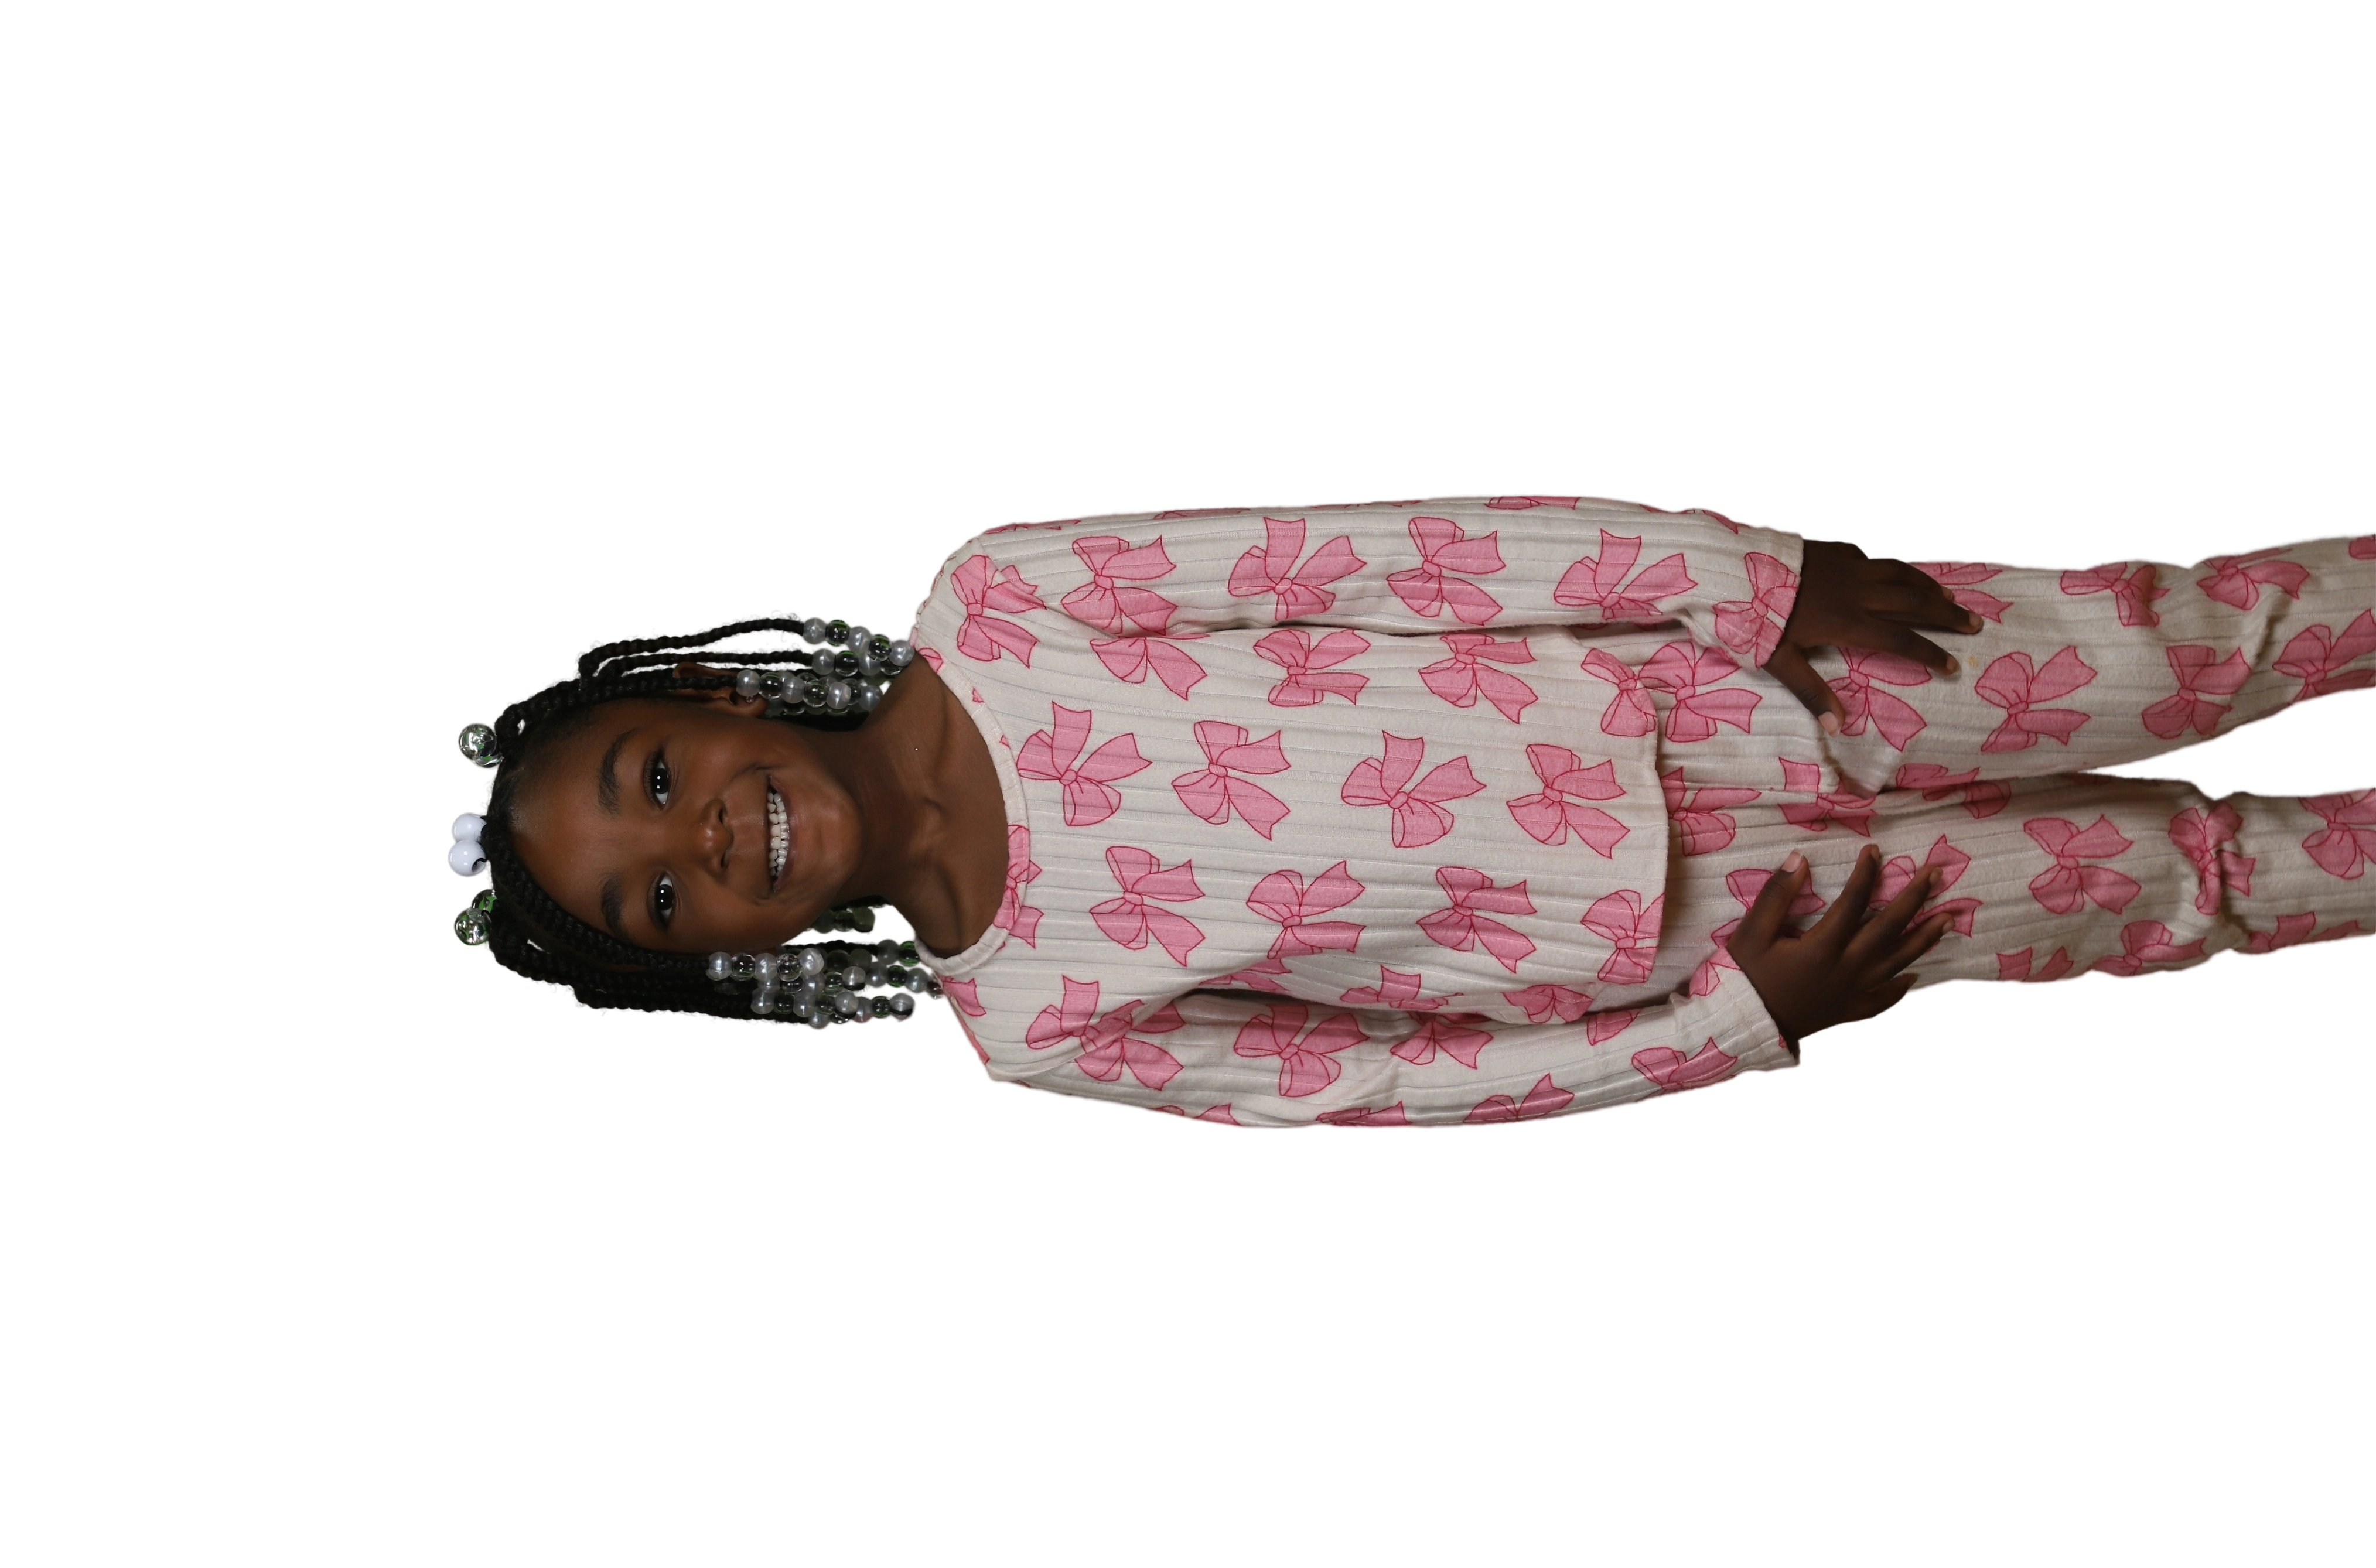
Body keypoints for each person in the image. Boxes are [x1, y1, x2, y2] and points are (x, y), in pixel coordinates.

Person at [448, 496, 2376, 1129]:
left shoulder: (1009, 604)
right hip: (1747, 937)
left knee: (2188, 646)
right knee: (2199, 883)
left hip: (1724, 683)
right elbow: (1381, 1086)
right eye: (657, 904)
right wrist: (1730, 1028)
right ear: (728, 964)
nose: (699, 844)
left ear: (703, 701)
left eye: (651, 785)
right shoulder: (1037, 1024)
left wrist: (1747, 581)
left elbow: (1392, 557)